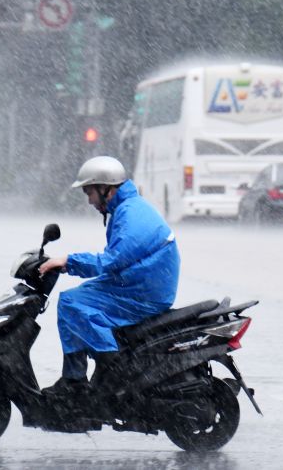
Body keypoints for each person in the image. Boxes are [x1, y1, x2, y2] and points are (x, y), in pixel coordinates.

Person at [38, 156, 180, 396]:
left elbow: (113, 259)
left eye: (89, 193)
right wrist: (68, 264)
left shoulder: (131, 213)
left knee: (72, 303)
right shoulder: (127, 208)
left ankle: (107, 369)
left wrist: (69, 261)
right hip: (137, 281)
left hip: (143, 290)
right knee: (77, 299)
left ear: (106, 189)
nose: (90, 201)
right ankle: (83, 375)